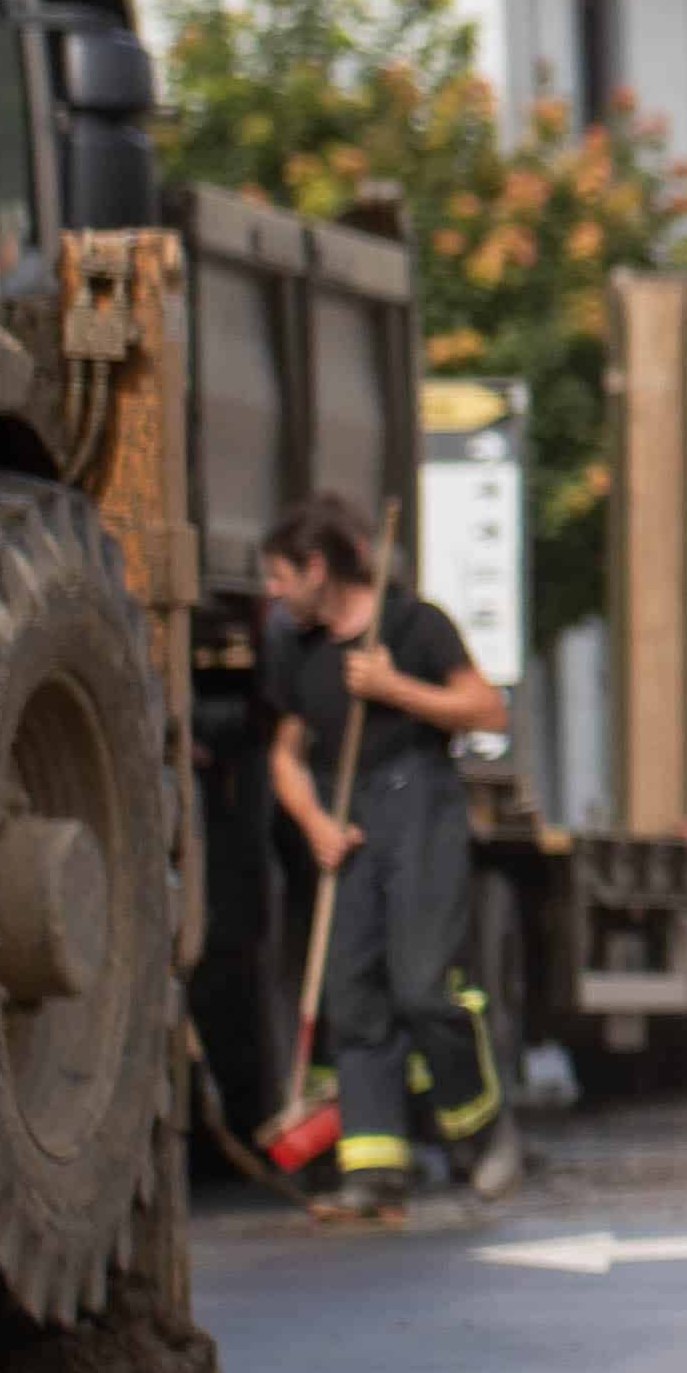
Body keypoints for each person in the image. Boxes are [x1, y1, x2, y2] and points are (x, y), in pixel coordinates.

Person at [256, 496, 509, 1220]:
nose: (272, 592)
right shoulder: (297, 650)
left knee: (423, 986)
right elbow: (286, 757)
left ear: (316, 568)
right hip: (351, 818)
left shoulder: (412, 625)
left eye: (280, 576)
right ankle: (375, 1168)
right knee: (354, 998)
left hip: (421, 804)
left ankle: (480, 1128)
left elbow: (488, 710)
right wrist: (312, 824)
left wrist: (393, 687)